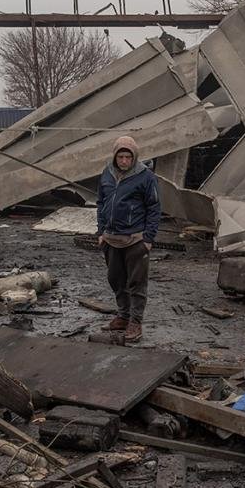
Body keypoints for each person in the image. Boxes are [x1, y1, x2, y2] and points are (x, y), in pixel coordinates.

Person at [95, 135, 161, 343]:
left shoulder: (146, 177)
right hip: (111, 239)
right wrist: (101, 232)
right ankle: (123, 316)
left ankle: (135, 322)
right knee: (115, 279)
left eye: (128, 157)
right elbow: (101, 202)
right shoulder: (106, 173)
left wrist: (148, 238)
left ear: (134, 157)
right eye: (120, 156)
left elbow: (154, 208)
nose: (124, 161)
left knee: (136, 283)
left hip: (135, 239)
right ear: (115, 156)